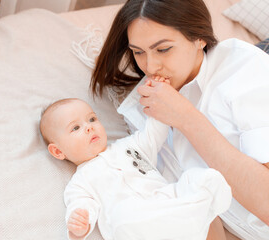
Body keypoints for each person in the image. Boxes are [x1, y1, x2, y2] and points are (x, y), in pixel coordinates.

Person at [90, 0, 269, 239]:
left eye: (163, 49)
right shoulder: (140, 107)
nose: (150, 67)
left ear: (199, 38)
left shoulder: (244, 69)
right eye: (138, 52)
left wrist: (186, 117)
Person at [39, 97, 231, 240]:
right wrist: (79, 223)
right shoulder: (81, 182)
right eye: (75, 128)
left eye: (91, 119)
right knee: (123, 217)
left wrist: (159, 105)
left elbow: (154, 133)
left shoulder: (130, 146)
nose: (89, 127)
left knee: (200, 178)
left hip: (170, 206)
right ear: (57, 151)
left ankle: (201, 207)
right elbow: (81, 205)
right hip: (140, 226)